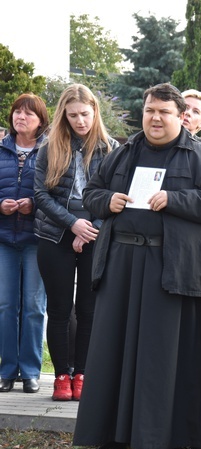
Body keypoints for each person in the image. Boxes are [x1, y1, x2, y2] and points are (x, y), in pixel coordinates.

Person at [72, 83, 201, 449]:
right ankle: (110, 434)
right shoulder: (124, 152)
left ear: (181, 116)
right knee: (114, 349)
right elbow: (91, 192)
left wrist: (176, 199)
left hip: (170, 269)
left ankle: (160, 440)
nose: (155, 118)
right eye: (150, 110)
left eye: (164, 111)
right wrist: (105, 200)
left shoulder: (199, 157)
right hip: (122, 266)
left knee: (161, 355)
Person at [34, 83, 120, 402]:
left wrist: (91, 228)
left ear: (95, 111)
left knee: (88, 309)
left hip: (95, 237)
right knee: (58, 310)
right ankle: (60, 377)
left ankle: (81, 373)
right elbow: (40, 195)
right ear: (64, 115)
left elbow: (114, 198)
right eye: (73, 116)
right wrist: (73, 224)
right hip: (54, 235)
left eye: (85, 114)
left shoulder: (110, 148)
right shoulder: (49, 146)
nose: (80, 121)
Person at [0, 93, 49, 394]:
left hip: (36, 239)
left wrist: (34, 205)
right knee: (5, 306)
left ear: (41, 121)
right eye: (17, 112)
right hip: (4, 239)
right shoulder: (0, 149)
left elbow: (57, 191)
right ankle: (7, 370)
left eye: (29, 114)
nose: (21, 117)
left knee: (33, 306)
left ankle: (30, 371)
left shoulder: (50, 151)